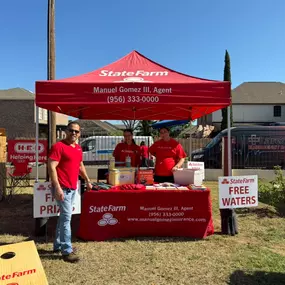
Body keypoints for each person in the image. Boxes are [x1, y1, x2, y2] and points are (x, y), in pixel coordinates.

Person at [48, 122, 92, 263]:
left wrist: (88, 180)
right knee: (66, 219)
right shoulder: (58, 147)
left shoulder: (78, 148)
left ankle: (57, 245)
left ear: (79, 133)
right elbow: (51, 167)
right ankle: (67, 250)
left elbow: (80, 165)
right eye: (71, 130)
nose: (74, 133)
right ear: (66, 131)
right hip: (62, 188)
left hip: (73, 188)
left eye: (76, 132)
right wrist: (58, 187)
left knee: (63, 218)